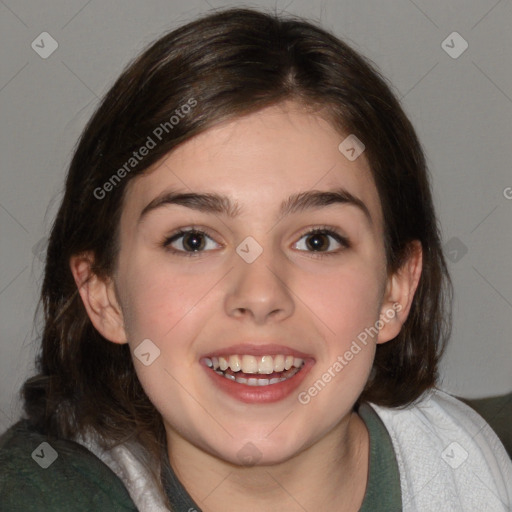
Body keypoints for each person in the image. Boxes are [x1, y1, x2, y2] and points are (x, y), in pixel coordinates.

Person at [1, 7, 510, 512]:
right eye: (194, 241)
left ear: (396, 288)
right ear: (104, 295)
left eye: (317, 240)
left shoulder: (471, 466)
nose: (261, 295)